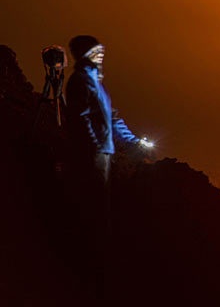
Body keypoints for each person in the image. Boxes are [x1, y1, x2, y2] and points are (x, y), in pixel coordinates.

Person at [63, 35, 153, 300]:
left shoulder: (95, 83)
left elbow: (112, 120)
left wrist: (133, 141)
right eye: (96, 51)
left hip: (101, 153)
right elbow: (80, 119)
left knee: (100, 205)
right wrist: (94, 146)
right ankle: (91, 269)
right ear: (85, 53)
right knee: (94, 206)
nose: (101, 55)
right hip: (93, 155)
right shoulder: (80, 82)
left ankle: (97, 264)